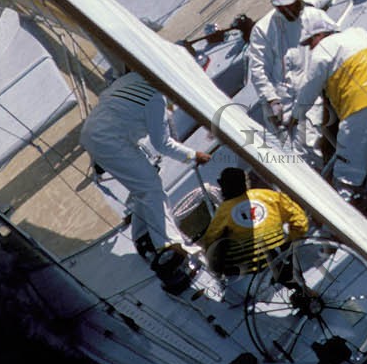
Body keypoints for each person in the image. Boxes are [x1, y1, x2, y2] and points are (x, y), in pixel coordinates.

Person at [81, 70, 211, 261]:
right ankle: (168, 242)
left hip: (92, 132)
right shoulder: (155, 99)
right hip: (110, 142)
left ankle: (143, 234)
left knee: (143, 183)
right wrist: (193, 155)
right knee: (151, 187)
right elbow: (162, 144)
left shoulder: (131, 78)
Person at [284, 13, 367, 195]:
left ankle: (345, 211)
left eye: (309, 43)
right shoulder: (359, 33)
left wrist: (294, 117)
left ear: (319, 35)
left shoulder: (322, 51)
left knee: (345, 175)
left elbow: (308, 92)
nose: (310, 49)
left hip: (360, 110)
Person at [247, 0, 334, 135]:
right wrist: (271, 99)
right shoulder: (263, 28)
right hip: (285, 98)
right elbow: (258, 69)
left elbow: (337, 40)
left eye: (291, 6)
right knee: (299, 145)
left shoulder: (314, 16)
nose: (287, 11)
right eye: (282, 8)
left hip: (319, 86)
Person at [200, 167, 310, 276]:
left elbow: (210, 243)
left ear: (223, 186)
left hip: (250, 272)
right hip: (283, 258)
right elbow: (299, 219)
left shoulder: (222, 213)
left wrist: (218, 268)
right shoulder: (269, 196)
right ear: (247, 182)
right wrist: (291, 242)